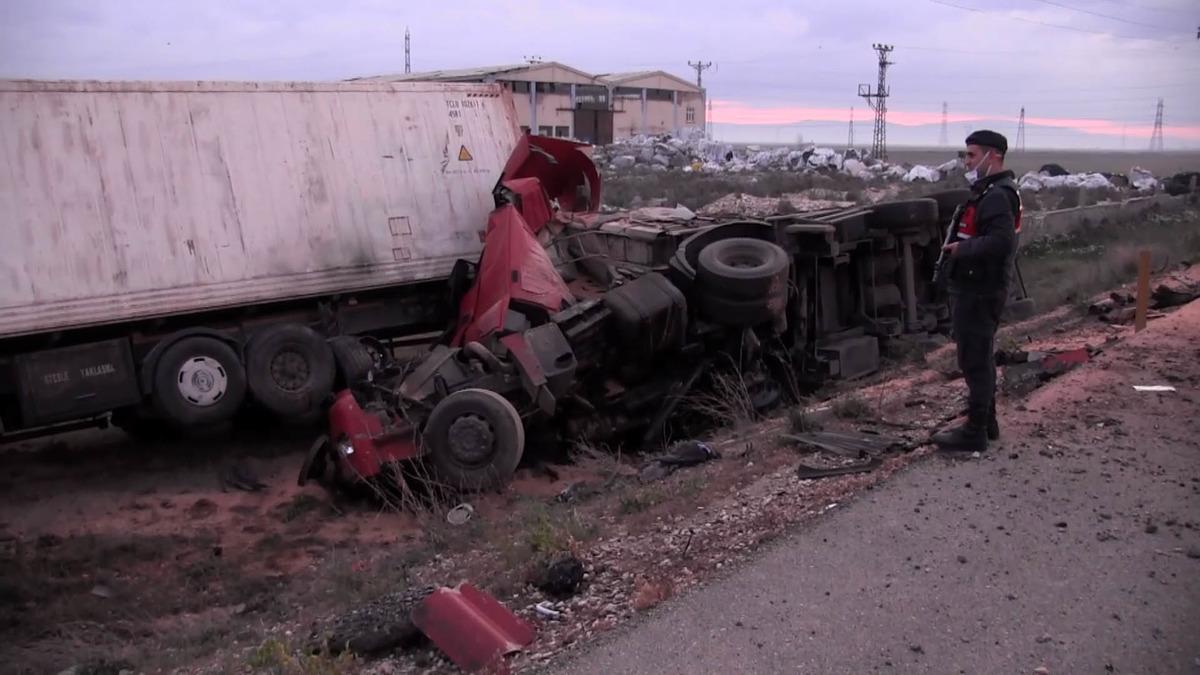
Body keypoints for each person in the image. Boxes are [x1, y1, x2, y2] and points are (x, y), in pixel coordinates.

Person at [932, 130, 1022, 453]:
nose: (967, 162)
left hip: (980, 289)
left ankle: (974, 432)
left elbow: (1001, 242)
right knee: (979, 356)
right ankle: (987, 423)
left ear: (992, 155)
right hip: (980, 286)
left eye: (972, 155)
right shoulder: (992, 192)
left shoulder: (997, 196)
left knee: (975, 361)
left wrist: (961, 250)